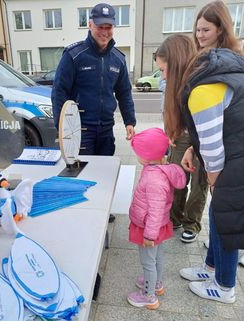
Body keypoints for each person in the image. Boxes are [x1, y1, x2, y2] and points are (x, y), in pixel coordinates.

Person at [155, 29, 244, 304]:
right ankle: (210, 268)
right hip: (235, 148)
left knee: (224, 215)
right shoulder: (204, 77)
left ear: (178, 64)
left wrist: (216, 185)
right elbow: (216, 127)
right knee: (218, 214)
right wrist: (193, 148)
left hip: (236, 156)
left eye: (164, 70)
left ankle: (225, 286)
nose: (162, 77)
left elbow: (215, 151)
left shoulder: (201, 91)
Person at [167, 0, 239, 243]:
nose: (199, 35)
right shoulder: (203, 58)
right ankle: (211, 261)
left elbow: (214, 122)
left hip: (217, 141)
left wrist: (215, 176)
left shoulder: (223, 62)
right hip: (197, 138)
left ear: (221, 29)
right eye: (197, 30)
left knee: (205, 188)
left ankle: (193, 225)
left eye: (205, 30)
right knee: (181, 179)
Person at [52, 2, 136, 158]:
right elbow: (59, 92)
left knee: (105, 173)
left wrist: (129, 121)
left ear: (113, 28)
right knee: (83, 174)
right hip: (80, 129)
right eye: (100, 27)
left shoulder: (118, 59)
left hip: (106, 130)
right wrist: (61, 127)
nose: (104, 32)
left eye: (108, 27)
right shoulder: (74, 55)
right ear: (90, 25)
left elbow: (124, 93)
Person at [127, 128, 186, 309]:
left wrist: (149, 236)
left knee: (148, 262)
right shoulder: (158, 169)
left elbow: (155, 209)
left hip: (149, 228)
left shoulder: (153, 179)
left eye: (138, 153)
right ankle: (156, 284)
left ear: (146, 156)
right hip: (159, 226)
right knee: (157, 257)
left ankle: (148, 296)